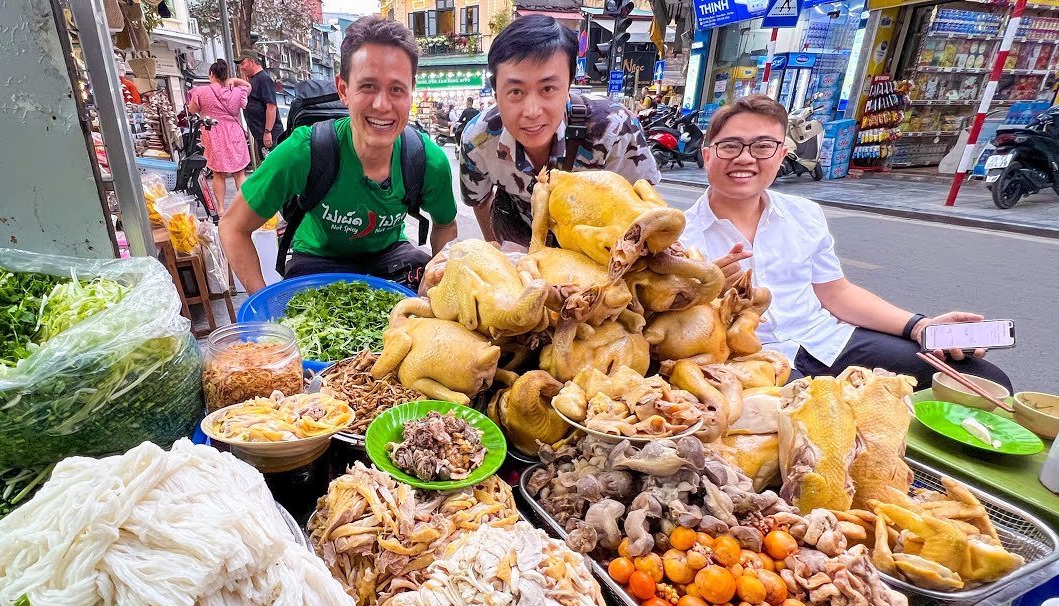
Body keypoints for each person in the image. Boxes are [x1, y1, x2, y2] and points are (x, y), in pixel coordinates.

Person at [678, 94, 1010, 390]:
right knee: (811, 435)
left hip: (827, 341)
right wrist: (706, 293)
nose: (745, 158)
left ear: (781, 156)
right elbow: (661, 326)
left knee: (983, 380)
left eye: (763, 146)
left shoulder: (804, 214)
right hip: (748, 362)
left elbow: (836, 292)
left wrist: (920, 326)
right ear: (708, 156)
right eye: (730, 146)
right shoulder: (676, 237)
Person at [219, 16, 459, 294]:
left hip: (389, 257)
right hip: (317, 260)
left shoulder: (427, 161)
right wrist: (262, 305)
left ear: (411, 92)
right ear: (344, 90)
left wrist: (434, 289)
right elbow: (233, 227)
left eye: (396, 89)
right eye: (368, 86)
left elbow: (445, 224)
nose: (382, 105)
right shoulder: (303, 152)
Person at [459, 15, 661, 248]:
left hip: (598, 247)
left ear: (568, 87)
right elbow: (479, 200)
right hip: (519, 241)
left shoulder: (615, 130)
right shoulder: (478, 140)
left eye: (547, 88)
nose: (532, 111)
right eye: (515, 92)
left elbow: (647, 213)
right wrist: (498, 255)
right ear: (496, 94)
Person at [187, 59, 251, 211]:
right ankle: (244, 207)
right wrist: (234, 80)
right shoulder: (236, 91)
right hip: (234, 132)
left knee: (218, 173)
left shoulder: (201, 92)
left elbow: (192, 110)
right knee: (239, 173)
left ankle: (221, 208)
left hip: (213, 132)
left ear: (211, 74)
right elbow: (248, 86)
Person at [235, 49, 283, 162]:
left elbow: (271, 107)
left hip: (269, 135)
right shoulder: (254, 80)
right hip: (260, 134)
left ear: (252, 61)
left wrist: (267, 132)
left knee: (273, 167)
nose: (241, 67)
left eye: (243, 63)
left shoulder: (263, 79)